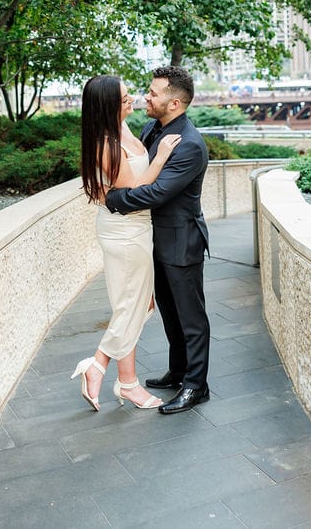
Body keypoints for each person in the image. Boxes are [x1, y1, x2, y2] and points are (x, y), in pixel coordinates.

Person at [70, 75, 182, 411]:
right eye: (123, 98)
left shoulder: (125, 130)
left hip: (134, 229)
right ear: (107, 107)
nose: (131, 99)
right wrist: (161, 157)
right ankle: (121, 379)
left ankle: (108, 370)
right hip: (125, 230)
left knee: (134, 304)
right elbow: (134, 192)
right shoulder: (106, 144)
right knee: (136, 304)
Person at [104, 66, 211, 415]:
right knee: (168, 311)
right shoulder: (152, 128)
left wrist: (115, 201)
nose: (146, 97)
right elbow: (137, 171)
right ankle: (178, 370)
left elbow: (156, 192)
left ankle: (197, 386)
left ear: (174, 102)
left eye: (153, 93)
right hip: (154, 240)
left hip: (181, 242)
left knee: (191, 318)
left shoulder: (190, 145)